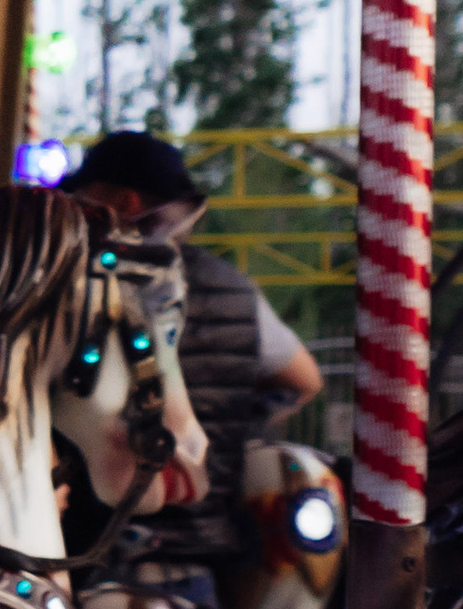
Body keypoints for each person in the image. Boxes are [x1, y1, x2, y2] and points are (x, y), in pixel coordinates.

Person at [63, 128, 321, 548]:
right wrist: (235, 420)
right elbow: (305, 381)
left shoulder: (85, 284)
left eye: (85, 195)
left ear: (123, 202)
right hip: (203, 542)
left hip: (97, 541)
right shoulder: (236, 291)